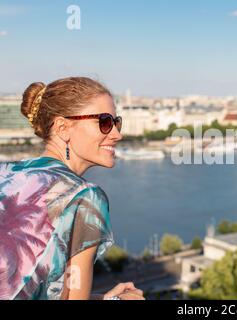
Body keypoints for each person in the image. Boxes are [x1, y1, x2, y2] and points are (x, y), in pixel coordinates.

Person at [0, 77, 144, 300]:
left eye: (117, 122)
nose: (117, 134)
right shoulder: (84, 198)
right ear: (63, 127)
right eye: (105, 122)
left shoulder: (6, 173)